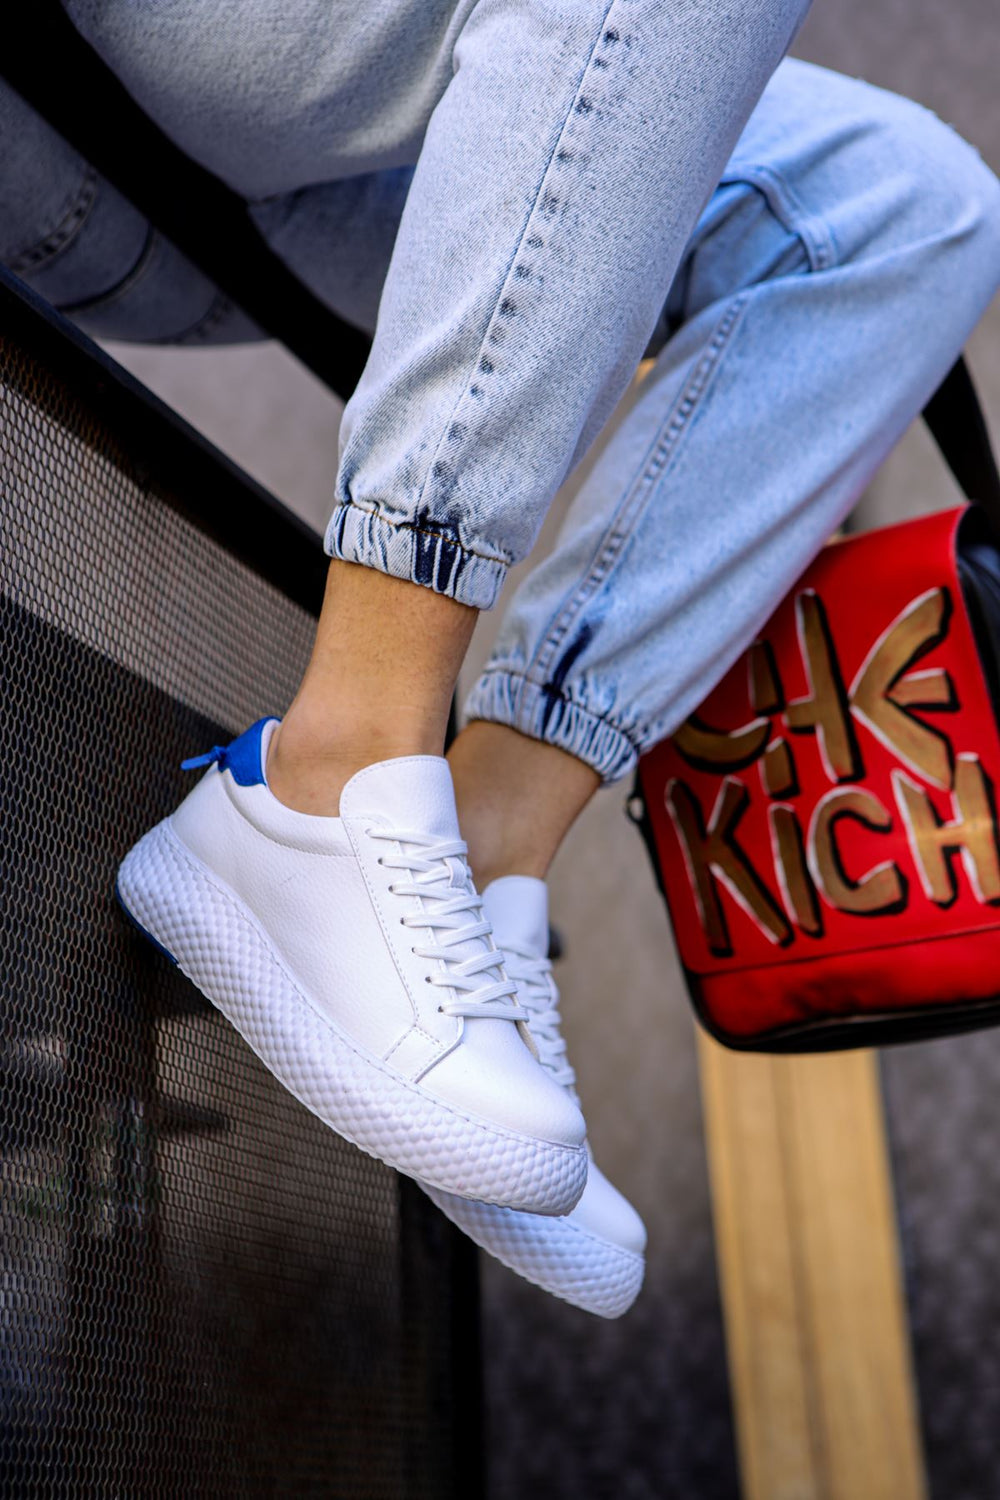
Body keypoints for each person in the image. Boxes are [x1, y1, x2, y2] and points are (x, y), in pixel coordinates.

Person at [6, 1, 999, 1317]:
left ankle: (480, 846)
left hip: (289, 169)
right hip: (72, 116)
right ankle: (337, 768)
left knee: (912, 209)